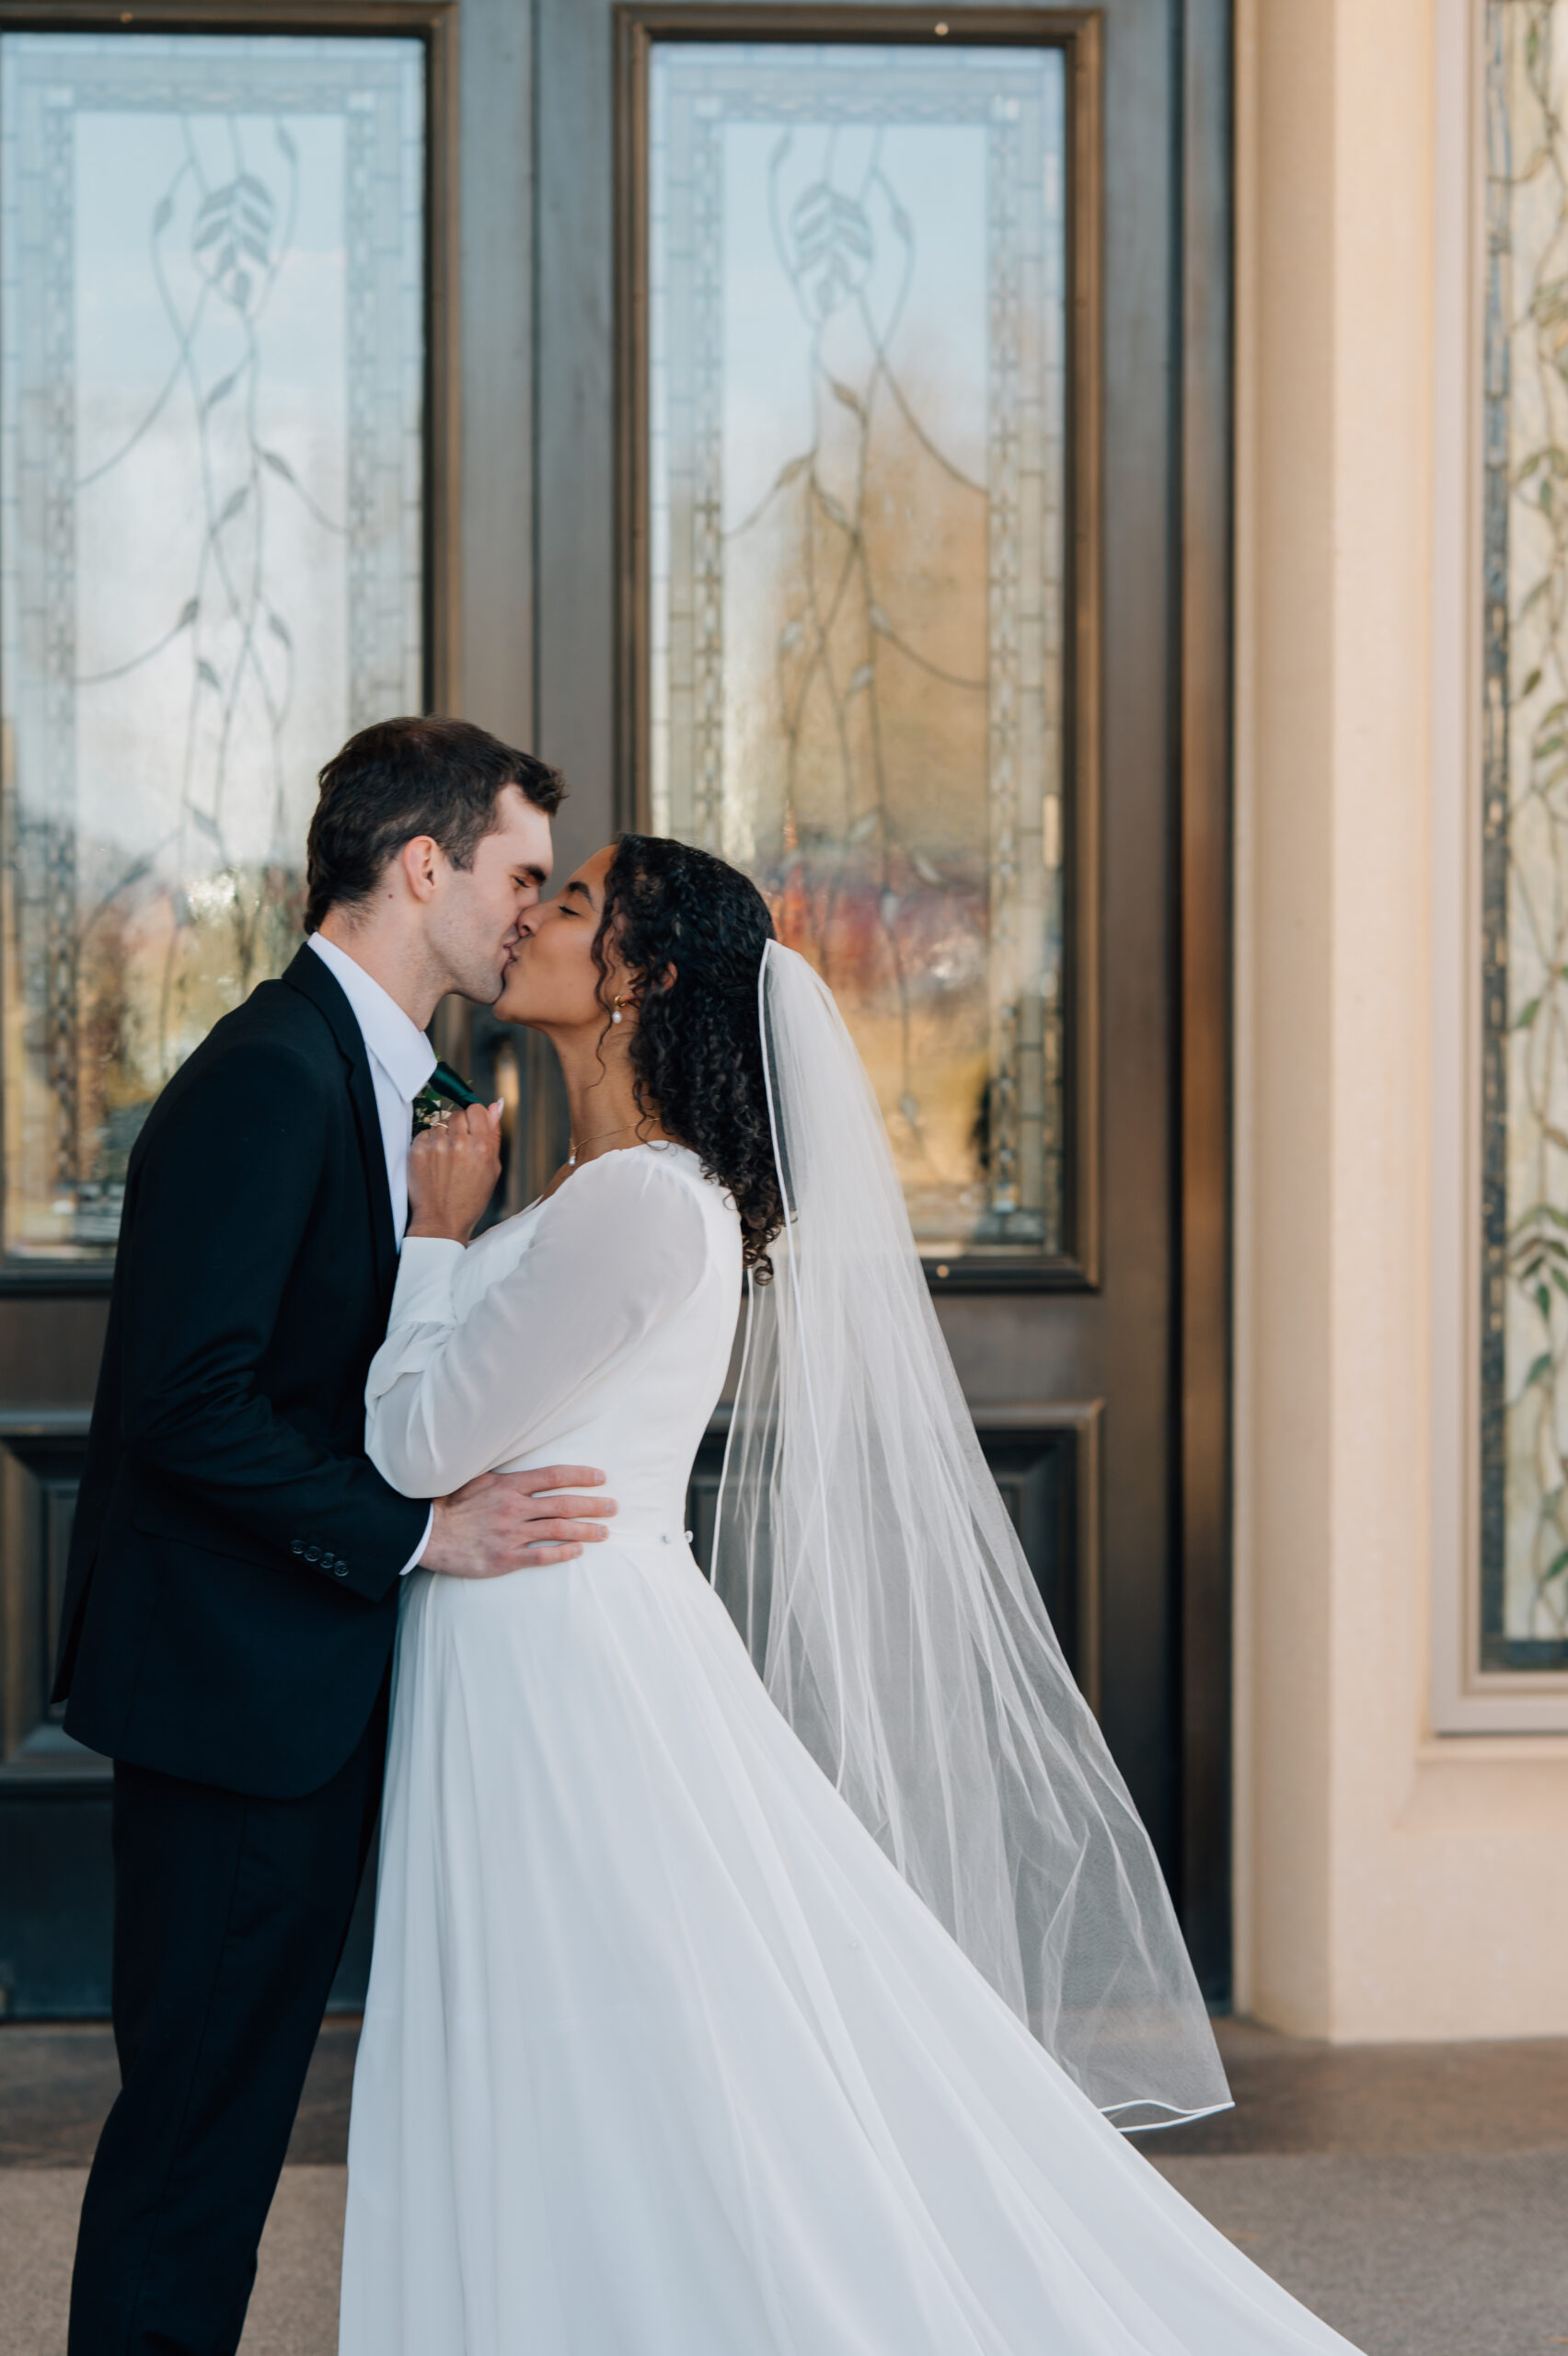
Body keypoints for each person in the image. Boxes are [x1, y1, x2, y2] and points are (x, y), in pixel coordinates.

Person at [339, 832, 1365, 2354]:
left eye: (570, 906)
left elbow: (416, 1437)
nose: (533, 923)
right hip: (534, 1648)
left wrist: (434, 1238)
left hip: (565, 1668)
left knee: (602, 2035)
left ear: (646, 975)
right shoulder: (603, 1191)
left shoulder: (640, 1205)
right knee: (569, 2042)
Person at [54, 717, 617, 2356]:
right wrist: (419, 1536)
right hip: (233, 1695)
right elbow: (190, 1403)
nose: (530, 912)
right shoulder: (268, 1073)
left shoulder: (418, 1086)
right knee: (194, 2138)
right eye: (519, 876)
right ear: (421, 864)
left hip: (309, 1685)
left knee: (225, 2122)